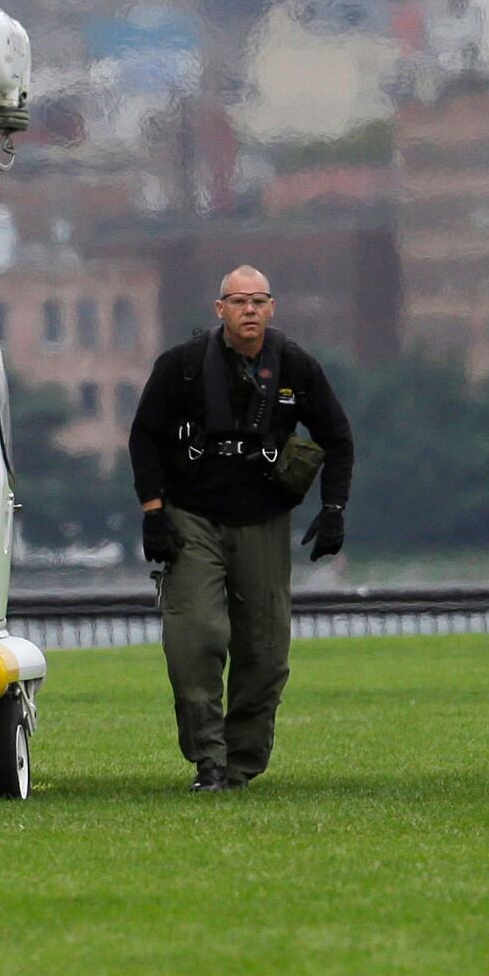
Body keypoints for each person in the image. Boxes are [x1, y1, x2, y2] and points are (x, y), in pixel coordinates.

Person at [125, 266, 354, 790]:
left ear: (273, 308)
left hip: (266, 517)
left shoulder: (296, 365)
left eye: (259, 301)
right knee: (195, 636)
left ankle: (241, 763)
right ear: (219, 309)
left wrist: (334, 509)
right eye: (238, 301)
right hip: (192, 514)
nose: (249, 310)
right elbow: (145, 436)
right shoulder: (181, 367)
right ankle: (208, 758)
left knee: (266, 650)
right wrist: (154, 510)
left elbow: (338, 438)